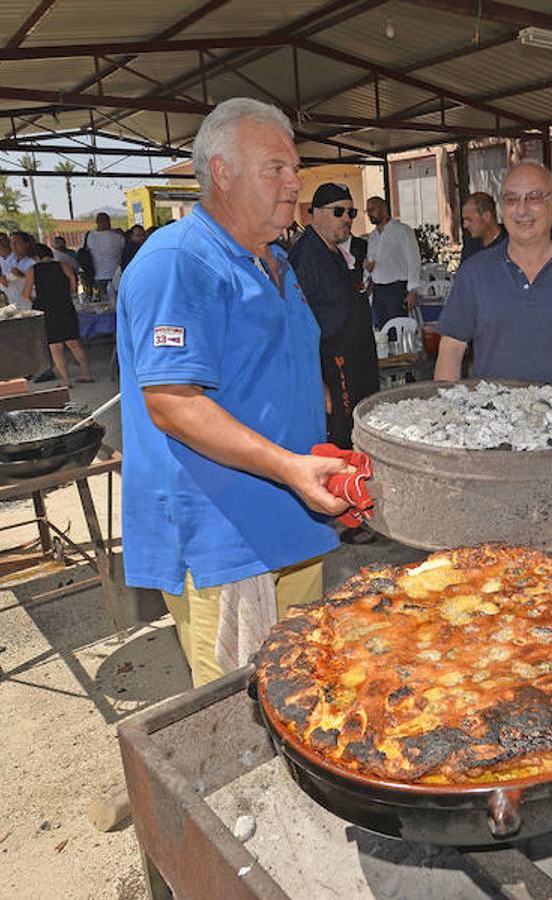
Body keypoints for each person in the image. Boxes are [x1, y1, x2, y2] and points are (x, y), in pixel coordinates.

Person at [116, 97, 350, 688]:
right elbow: (171, 402)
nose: (295, 183)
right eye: (277, 168)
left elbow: (278, 349)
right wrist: (289, 466)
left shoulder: (275, 260)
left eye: (294, 168)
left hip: (293, 518)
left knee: (305, 682)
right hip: (228, 531)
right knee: (243, 706)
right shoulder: (178, 263)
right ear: (222, 172)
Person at [434, 162, 552, 396]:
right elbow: (451, 348)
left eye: (533, 198)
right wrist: (446, 413)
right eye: (512, 200)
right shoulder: (474, 272)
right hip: (493, 421)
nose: (522, 210)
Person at [289, 183, 381, 547]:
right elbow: (300, 324)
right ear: (315, 214)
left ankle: (355, 506)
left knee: (354, 433)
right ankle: (344, 519)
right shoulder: (306, 257)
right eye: (339, 212)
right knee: (339, 438)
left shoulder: (333, 252)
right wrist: (318, 380)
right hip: (333, 362)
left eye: (351, 213)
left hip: (355, 359)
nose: (348, 220)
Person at [29, 243, 94, 386]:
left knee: (55, 347)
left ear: (36, 257)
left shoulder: (33, 270)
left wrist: (38, 300)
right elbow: (73, 284)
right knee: (74, 343)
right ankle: (86, 373)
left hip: (47, 310)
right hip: (65, 306)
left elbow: (25, 293)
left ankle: (66, 380)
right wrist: (66, 295)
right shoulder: (63, 265)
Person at [364, 196, 421, 326]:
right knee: (382, 332)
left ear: (383, 208)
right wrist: (368, 270)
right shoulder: (372, 236)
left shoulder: (402, 230)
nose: (369, 214)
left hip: (397, 290)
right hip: (378, 291)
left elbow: (414, 260)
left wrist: (413, 290)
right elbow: (371, 263)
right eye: (367, 211)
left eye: (372, 210)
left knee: (399, 331)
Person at [85, 212, 125, 301]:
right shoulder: (118, 236)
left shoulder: (89, 237)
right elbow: (123, 249)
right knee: (119, 303)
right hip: (116, 275)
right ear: (109, 222)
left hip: (97, 276)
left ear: (96, 222)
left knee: (103, 305)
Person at [460, 191, 506, 262]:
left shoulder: (512, 243)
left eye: (469, 220)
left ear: (486, 216)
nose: (465, 225)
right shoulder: (470, 247)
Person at [5, 231, 37, 309]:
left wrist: (23, 276)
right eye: (12, 243)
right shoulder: (10, 260)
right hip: (12, 302)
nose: (13, 245)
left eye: (17, 242)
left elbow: (39, 284)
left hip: (28, 303)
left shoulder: (33, 262)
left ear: (26, 244)